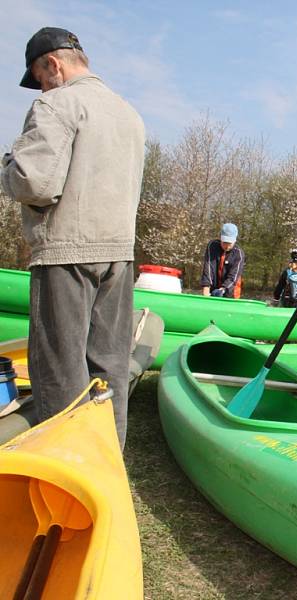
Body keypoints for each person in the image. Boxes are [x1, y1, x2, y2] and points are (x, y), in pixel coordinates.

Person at [0, 27, 145, 448]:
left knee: (59, 368)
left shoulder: (57, 104)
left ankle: (64, 467)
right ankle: (105, 462)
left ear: (53, 65)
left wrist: (9, 165)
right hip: (118, 254)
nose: (41, 85)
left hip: (66, 250)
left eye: (40, 76)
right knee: (110, 366)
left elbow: (35, 183)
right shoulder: (128, 113)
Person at [200, 223, 245, 298]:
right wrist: (206, 287)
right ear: (220, 238)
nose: (227, 246)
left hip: (231, 292)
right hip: (213, 288)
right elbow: (208, 268)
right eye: (224, 242)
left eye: (229, 243)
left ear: (234, 241)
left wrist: (223, 289)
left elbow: (233, 277)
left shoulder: (239, 254)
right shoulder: (212, 246)